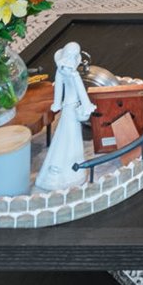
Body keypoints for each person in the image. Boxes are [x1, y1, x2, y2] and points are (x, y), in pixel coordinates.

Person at [35, 41, 95, 192]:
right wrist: (85, 105)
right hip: (71, 108)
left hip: (70, 108)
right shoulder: (70, 74)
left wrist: (58, 104)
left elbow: (63, 91)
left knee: (65, 136)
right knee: (69, 137)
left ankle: (66, 168)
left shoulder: (64, 73)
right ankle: (69, 170)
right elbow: (78, 93)